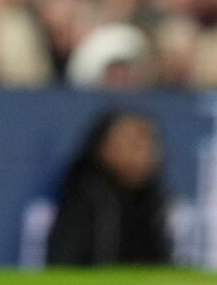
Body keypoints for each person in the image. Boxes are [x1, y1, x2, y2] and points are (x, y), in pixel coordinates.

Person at [45, 110, 173, 267]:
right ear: (103, 148)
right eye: (131, 144)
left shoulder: (157, 200)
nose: (141, 154)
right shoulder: (85, 192)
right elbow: (64, 258)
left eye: (147, 144)